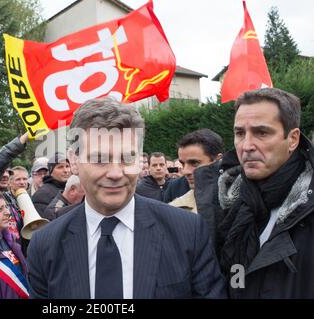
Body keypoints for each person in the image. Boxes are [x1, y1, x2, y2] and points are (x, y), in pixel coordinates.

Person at [27, 97, 226, 299]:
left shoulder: (187, 231)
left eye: (127, 158)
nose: (115, 173)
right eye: (99, 159)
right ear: (74, 161)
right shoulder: (44, 245)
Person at [217, 88, 314, 298]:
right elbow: (233, 280)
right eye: (240, 133)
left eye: (262, 132)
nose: (246, 146)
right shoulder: (223, 203)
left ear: (293, 139)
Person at [168, 129, 223, 243]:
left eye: (194, 163)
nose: (185, 171)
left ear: (218, 161)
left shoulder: (242, 201)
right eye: (183, 164)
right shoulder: (174, 208)